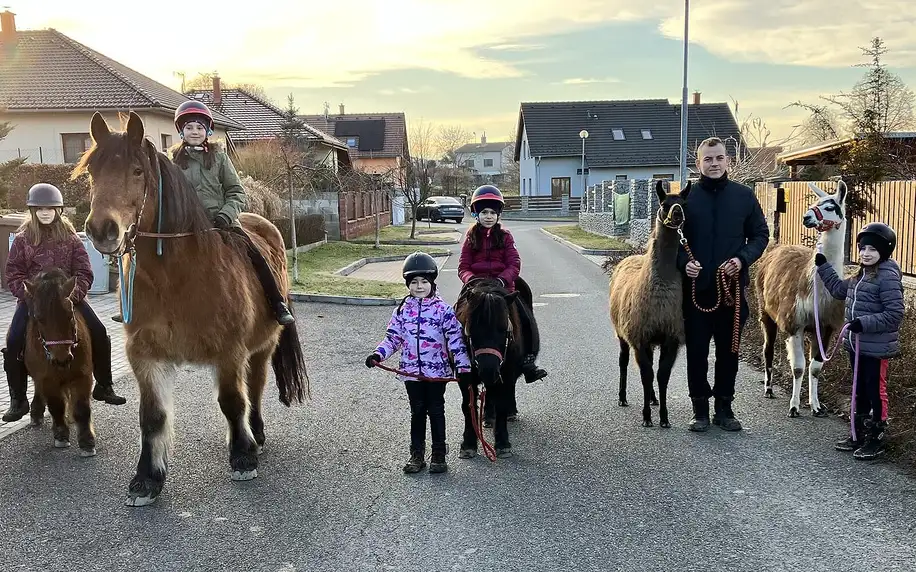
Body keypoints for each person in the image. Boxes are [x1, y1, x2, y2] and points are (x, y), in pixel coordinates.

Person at [113, 100, 294, 325]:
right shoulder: (171, 161)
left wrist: (225, 215)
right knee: (143, 255)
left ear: (207, 130)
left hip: (220, 223)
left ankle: (277, 302)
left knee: (253, 253)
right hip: (183, 228)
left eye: (199, 127)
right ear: (181, 131)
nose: (194, 132)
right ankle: (131, 306)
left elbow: (237, 192)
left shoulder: (219, 157)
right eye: (189, 127)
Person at [2, 183, 126, 422]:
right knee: (14, 340)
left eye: (51, 208)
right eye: (40, 208)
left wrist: (72, 295)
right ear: (32, 210)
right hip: (35, 302)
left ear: (58, 210)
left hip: (68, 299)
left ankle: (104, 384)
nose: (46, 212)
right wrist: (30, 297)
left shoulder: (70, 238)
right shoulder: (22, 239)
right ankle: (18, 399)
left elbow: (84, 271)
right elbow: (13, 273)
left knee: (99, 332)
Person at [677, 137, 770, 432]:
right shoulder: (687, 199)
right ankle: (700, 410)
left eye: (718, 158)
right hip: (697, 292)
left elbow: (760, 235)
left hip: (732, 291)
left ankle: (725, 408)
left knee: (729, 352)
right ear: (698, 164)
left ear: (727, 161)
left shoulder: (744, 197)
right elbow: (670, 240)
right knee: (697, 352)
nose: (714, 164)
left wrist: (742, 259)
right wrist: (684, 263)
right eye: (708, 159)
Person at [365, 252, 472, 474]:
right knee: (417, 411)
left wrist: (463, 367)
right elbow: (393, 338)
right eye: (414, 282)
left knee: (436, 410)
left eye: (424, 281)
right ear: (408, 285)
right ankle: (417, 454)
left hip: (437, 373)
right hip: (411, 373)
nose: (419, 286)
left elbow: (456, 341)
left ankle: (439, 454)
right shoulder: (402, 311)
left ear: (432, 282)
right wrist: (378, 355)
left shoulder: (444, 311)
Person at [815, 222, 904, 460]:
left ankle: (876, 436)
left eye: (872, 250)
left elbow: (895, 314)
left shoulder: (887, 276)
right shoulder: (860, 276)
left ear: (884, 252)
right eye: (863, 248)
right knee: (859, 390)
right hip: (856, 345)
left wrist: (864, 323)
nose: (866, 253)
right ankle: (858, 432)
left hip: (876, 348)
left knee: (876, 391)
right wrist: (823, 267)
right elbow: (837, 290)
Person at [457, 185, 548, 383]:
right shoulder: (470, 238)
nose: (488, 216)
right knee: (457, 316)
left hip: (502, 288)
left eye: (492, 212)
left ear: (498, 214)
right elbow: (463, 266)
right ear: (476, 214)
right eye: (484, 212)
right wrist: (471, 280)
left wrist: (502, 280)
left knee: (524, 315)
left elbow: (514, 263)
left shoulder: (506, 237)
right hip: (477, 288)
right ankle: (456, 356)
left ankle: (529, 359)